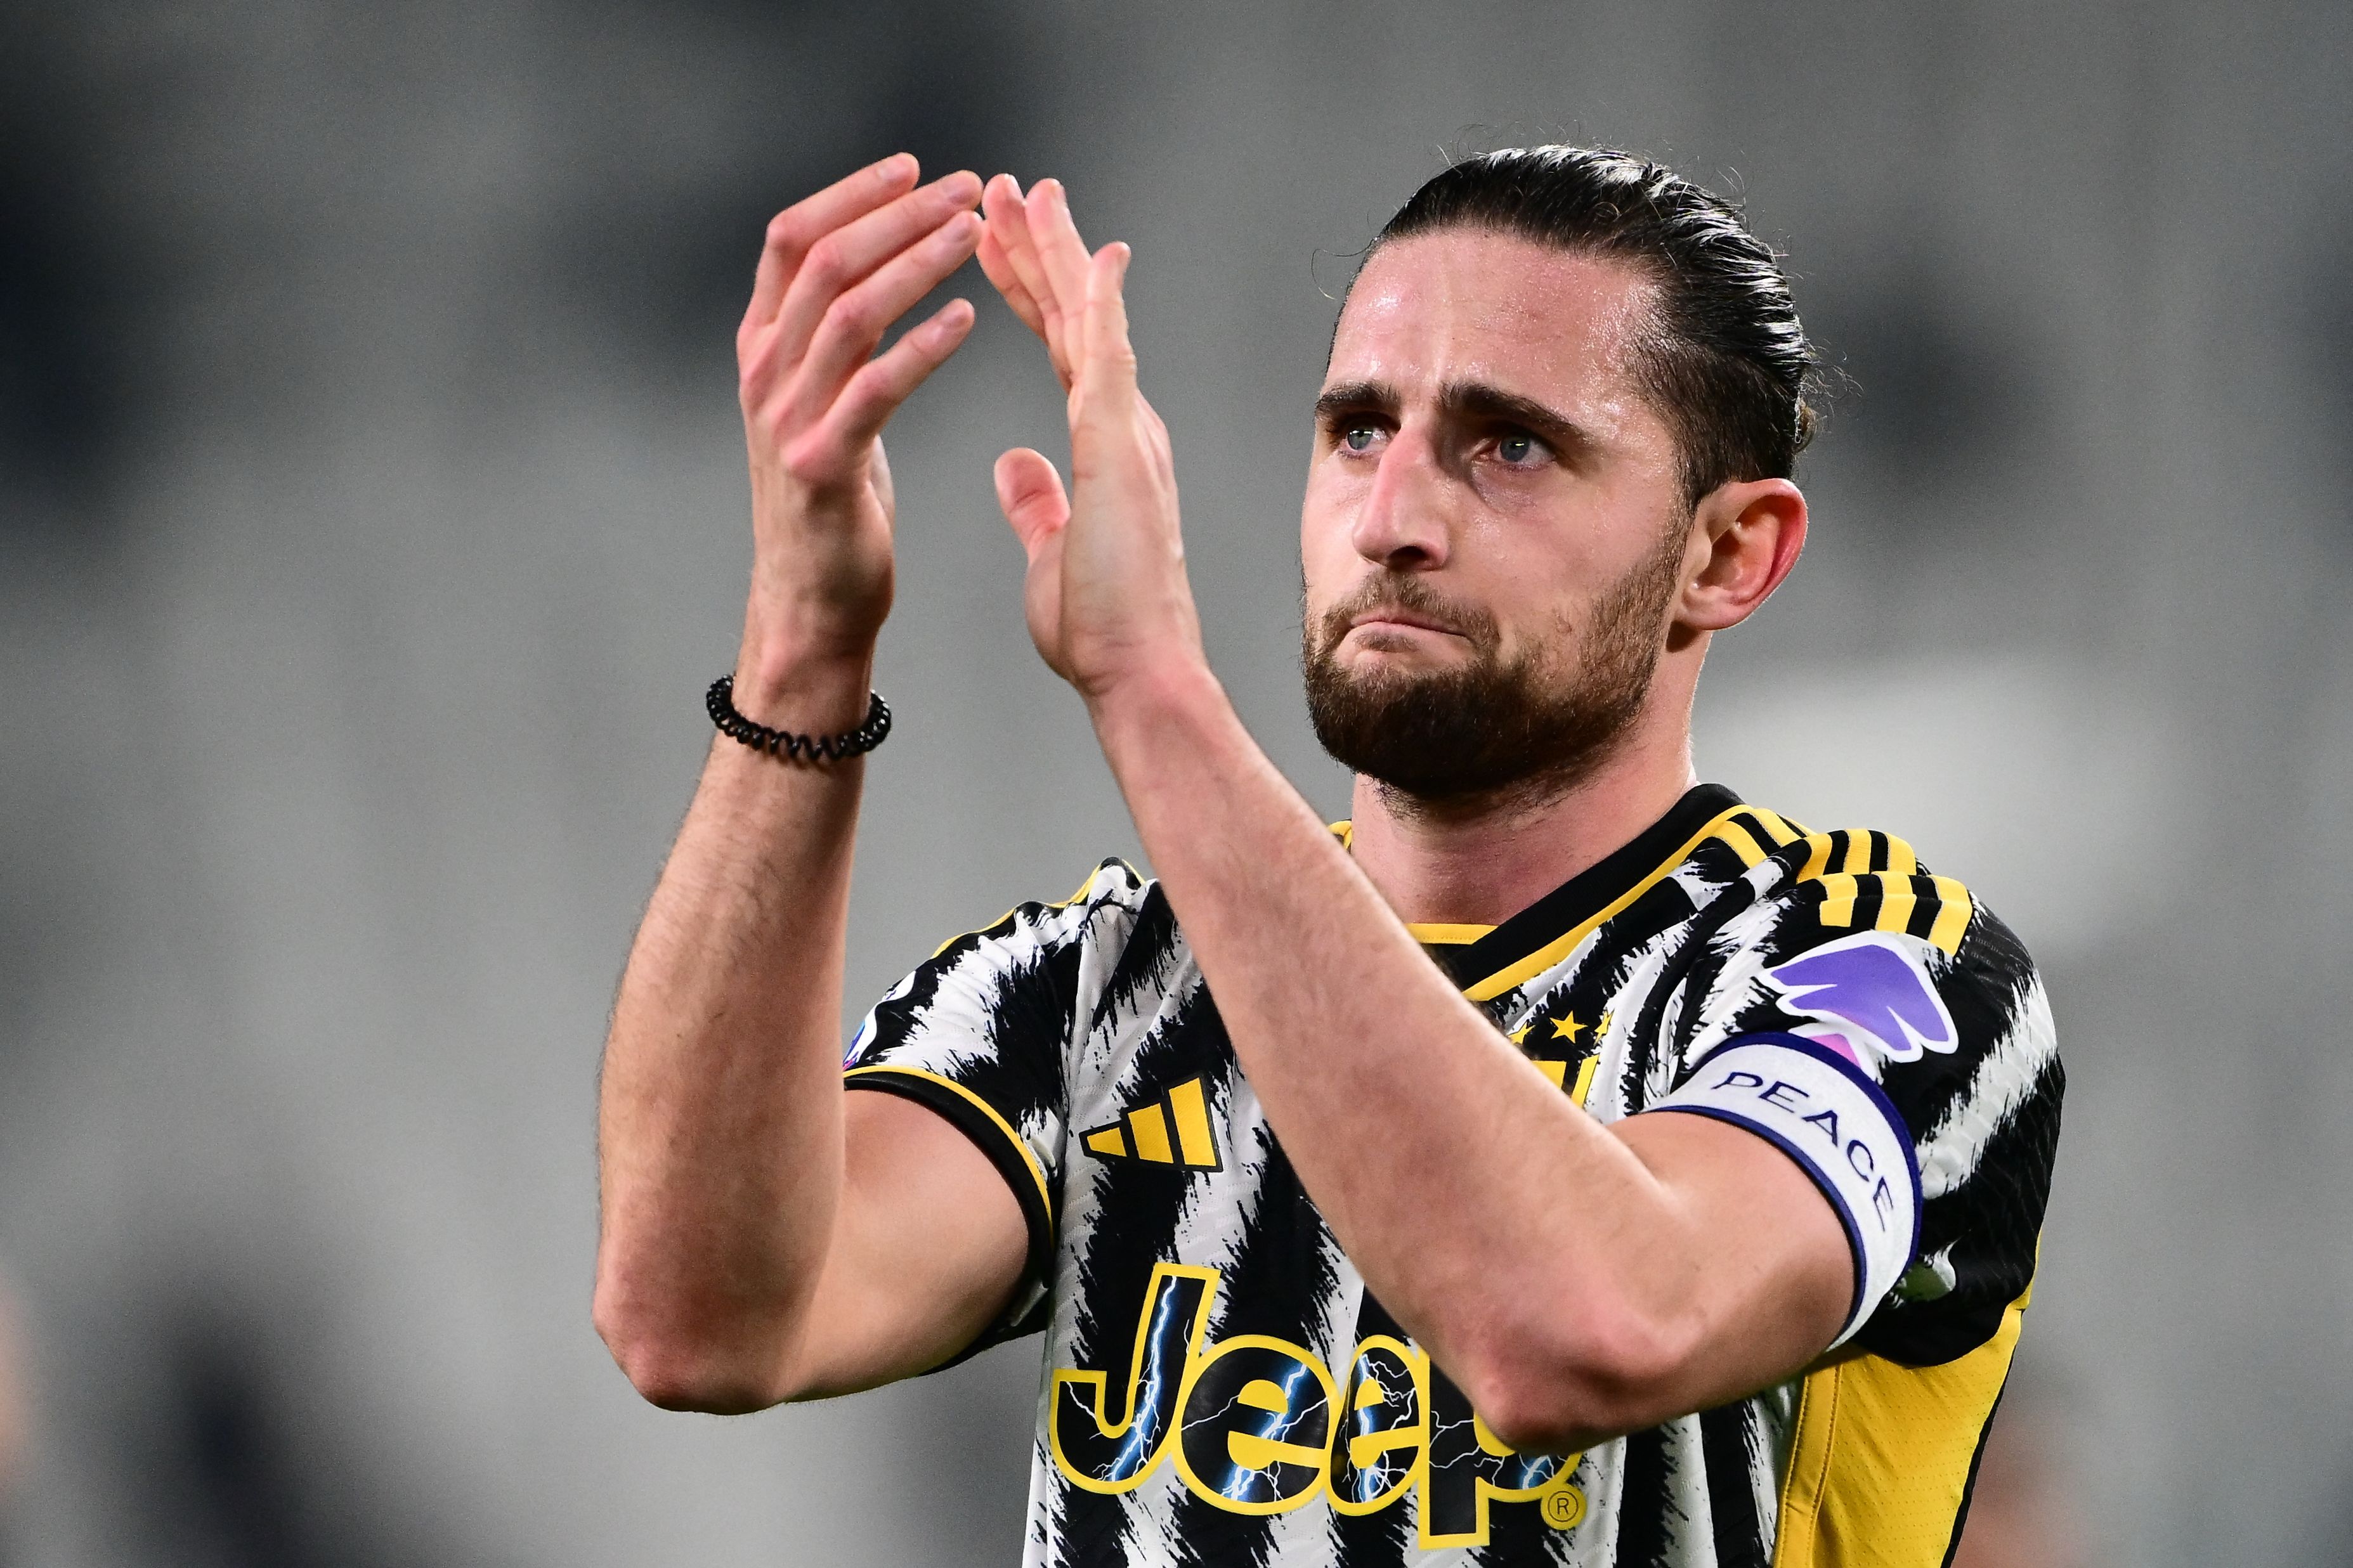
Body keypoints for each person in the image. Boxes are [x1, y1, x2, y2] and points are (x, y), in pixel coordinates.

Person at [592, 145, 2063, 1567]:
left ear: (1727, 554)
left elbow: (1591, 1328)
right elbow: (703, 1319)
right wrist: (803, 652)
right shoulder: (1108, 987)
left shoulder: (1870, 963)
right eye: (1359, 428)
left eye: (1511, 445)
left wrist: (1152, 688)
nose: (1392, 517)